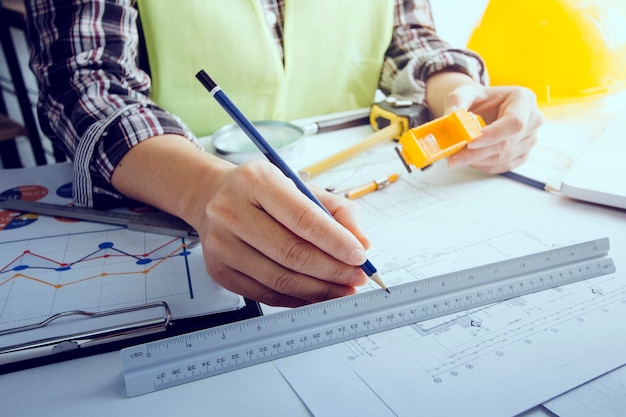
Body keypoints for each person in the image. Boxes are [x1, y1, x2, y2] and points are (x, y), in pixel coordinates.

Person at [24, 0, 543, 308]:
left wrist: (460, 94)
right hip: (176, 180)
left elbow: (407, 36)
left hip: (353, 162)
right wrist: (201, 188)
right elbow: (86, 82)